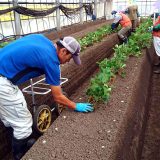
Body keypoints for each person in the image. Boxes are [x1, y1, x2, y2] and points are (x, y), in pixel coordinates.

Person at [0, 34, 94, 160]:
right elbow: (58, 97)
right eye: (70, 58)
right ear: (63, 51)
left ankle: (15, 141)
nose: (68, 61)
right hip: (3, 82)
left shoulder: (42, 40)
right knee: (23, 124)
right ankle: (20, 155)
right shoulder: (51, 61)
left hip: (3, 72)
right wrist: (75, 105)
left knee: (10, 118)